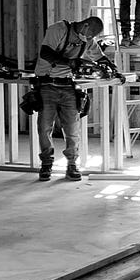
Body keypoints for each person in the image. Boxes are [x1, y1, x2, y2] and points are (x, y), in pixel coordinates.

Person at [33, 15, 104, 181]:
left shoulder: (87, 39)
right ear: (85, 25)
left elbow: (98, 56)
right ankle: (46, 164)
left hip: (68, 86)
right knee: (44, 127)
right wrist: (70, 63)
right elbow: (45, 52)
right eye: (89, 34)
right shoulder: (58, 30)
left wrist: (109, 65)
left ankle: (72, 164)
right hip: (46, 84)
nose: (89, 39)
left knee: (72, 128)